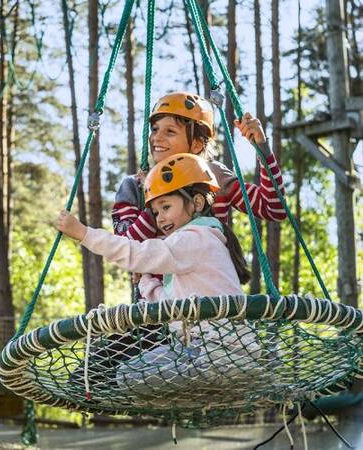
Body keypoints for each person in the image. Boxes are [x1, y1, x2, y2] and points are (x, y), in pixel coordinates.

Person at [57, 154, 261, 399]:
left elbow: (134, 251)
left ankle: (189, 396)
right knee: (128, 374)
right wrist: (146, 280)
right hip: (224, 356)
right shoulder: (197, 247)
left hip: (214, 354)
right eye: (155, 212)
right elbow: (168, 304)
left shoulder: (195, 237)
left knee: (125, 376)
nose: (160, 217)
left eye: (166, 207)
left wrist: (83, 234)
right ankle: (207, 395)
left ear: (196, 203)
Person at [112, 91, 286, 243]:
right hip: (161, 281)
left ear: (196, 144)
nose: (156, 137)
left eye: (170, 131)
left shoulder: (214, 176)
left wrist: (262, 148)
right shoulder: (134, 187)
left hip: (208, 278)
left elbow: (274, 209)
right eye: (155, 129)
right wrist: (154, 201)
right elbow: (123, 247)